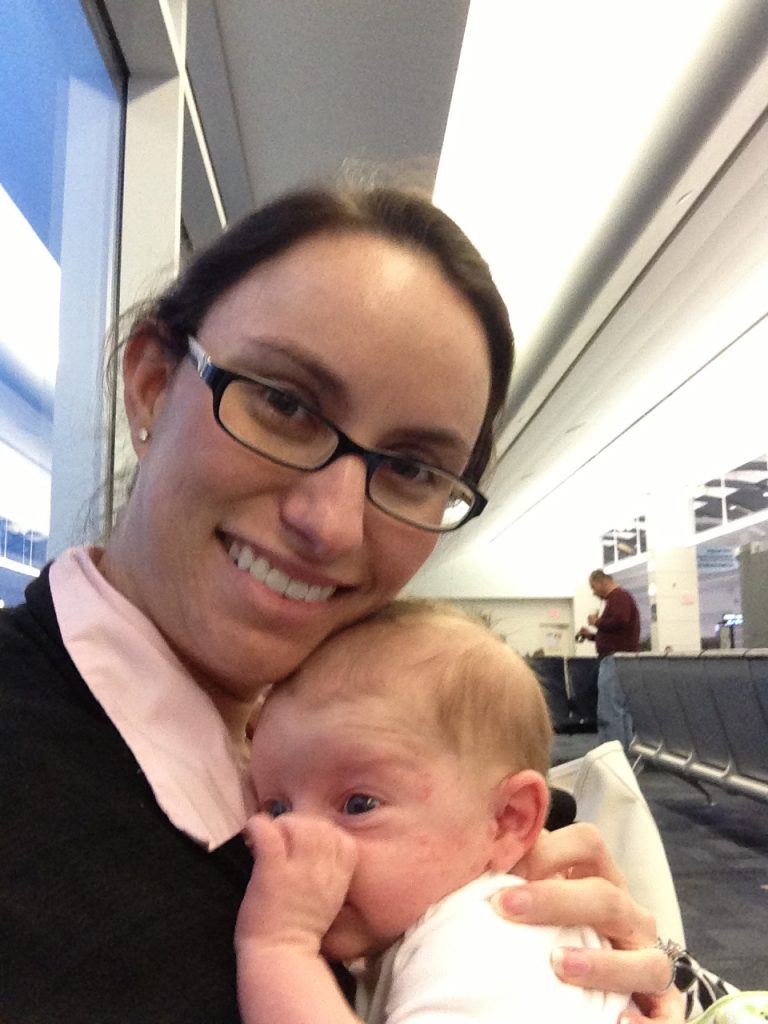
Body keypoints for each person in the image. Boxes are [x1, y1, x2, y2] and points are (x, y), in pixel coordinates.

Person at [0, 183, 683, 1023]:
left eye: (411, 469)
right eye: (284, 404)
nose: (329, 523)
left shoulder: (455, 783)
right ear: (150, 385)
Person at [236, 599, 632, 1024]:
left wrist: (280, 948)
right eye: (276, 809)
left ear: (506, 820)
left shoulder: (486, 941)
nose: (297, 838)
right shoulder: (422, 931)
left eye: (359, 805)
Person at [578, 569, 641, 751]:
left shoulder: (618, 597)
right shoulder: (622, 598)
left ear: (600, 582)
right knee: (622, 710)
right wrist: (592, 636)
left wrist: (596, 622)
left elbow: (620, 620)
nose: (593, 592)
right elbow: (617, 631)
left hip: (614, 661)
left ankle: (611, 753)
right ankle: (624, 750)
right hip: (623, 660)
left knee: (609, 710)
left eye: (593, 587)